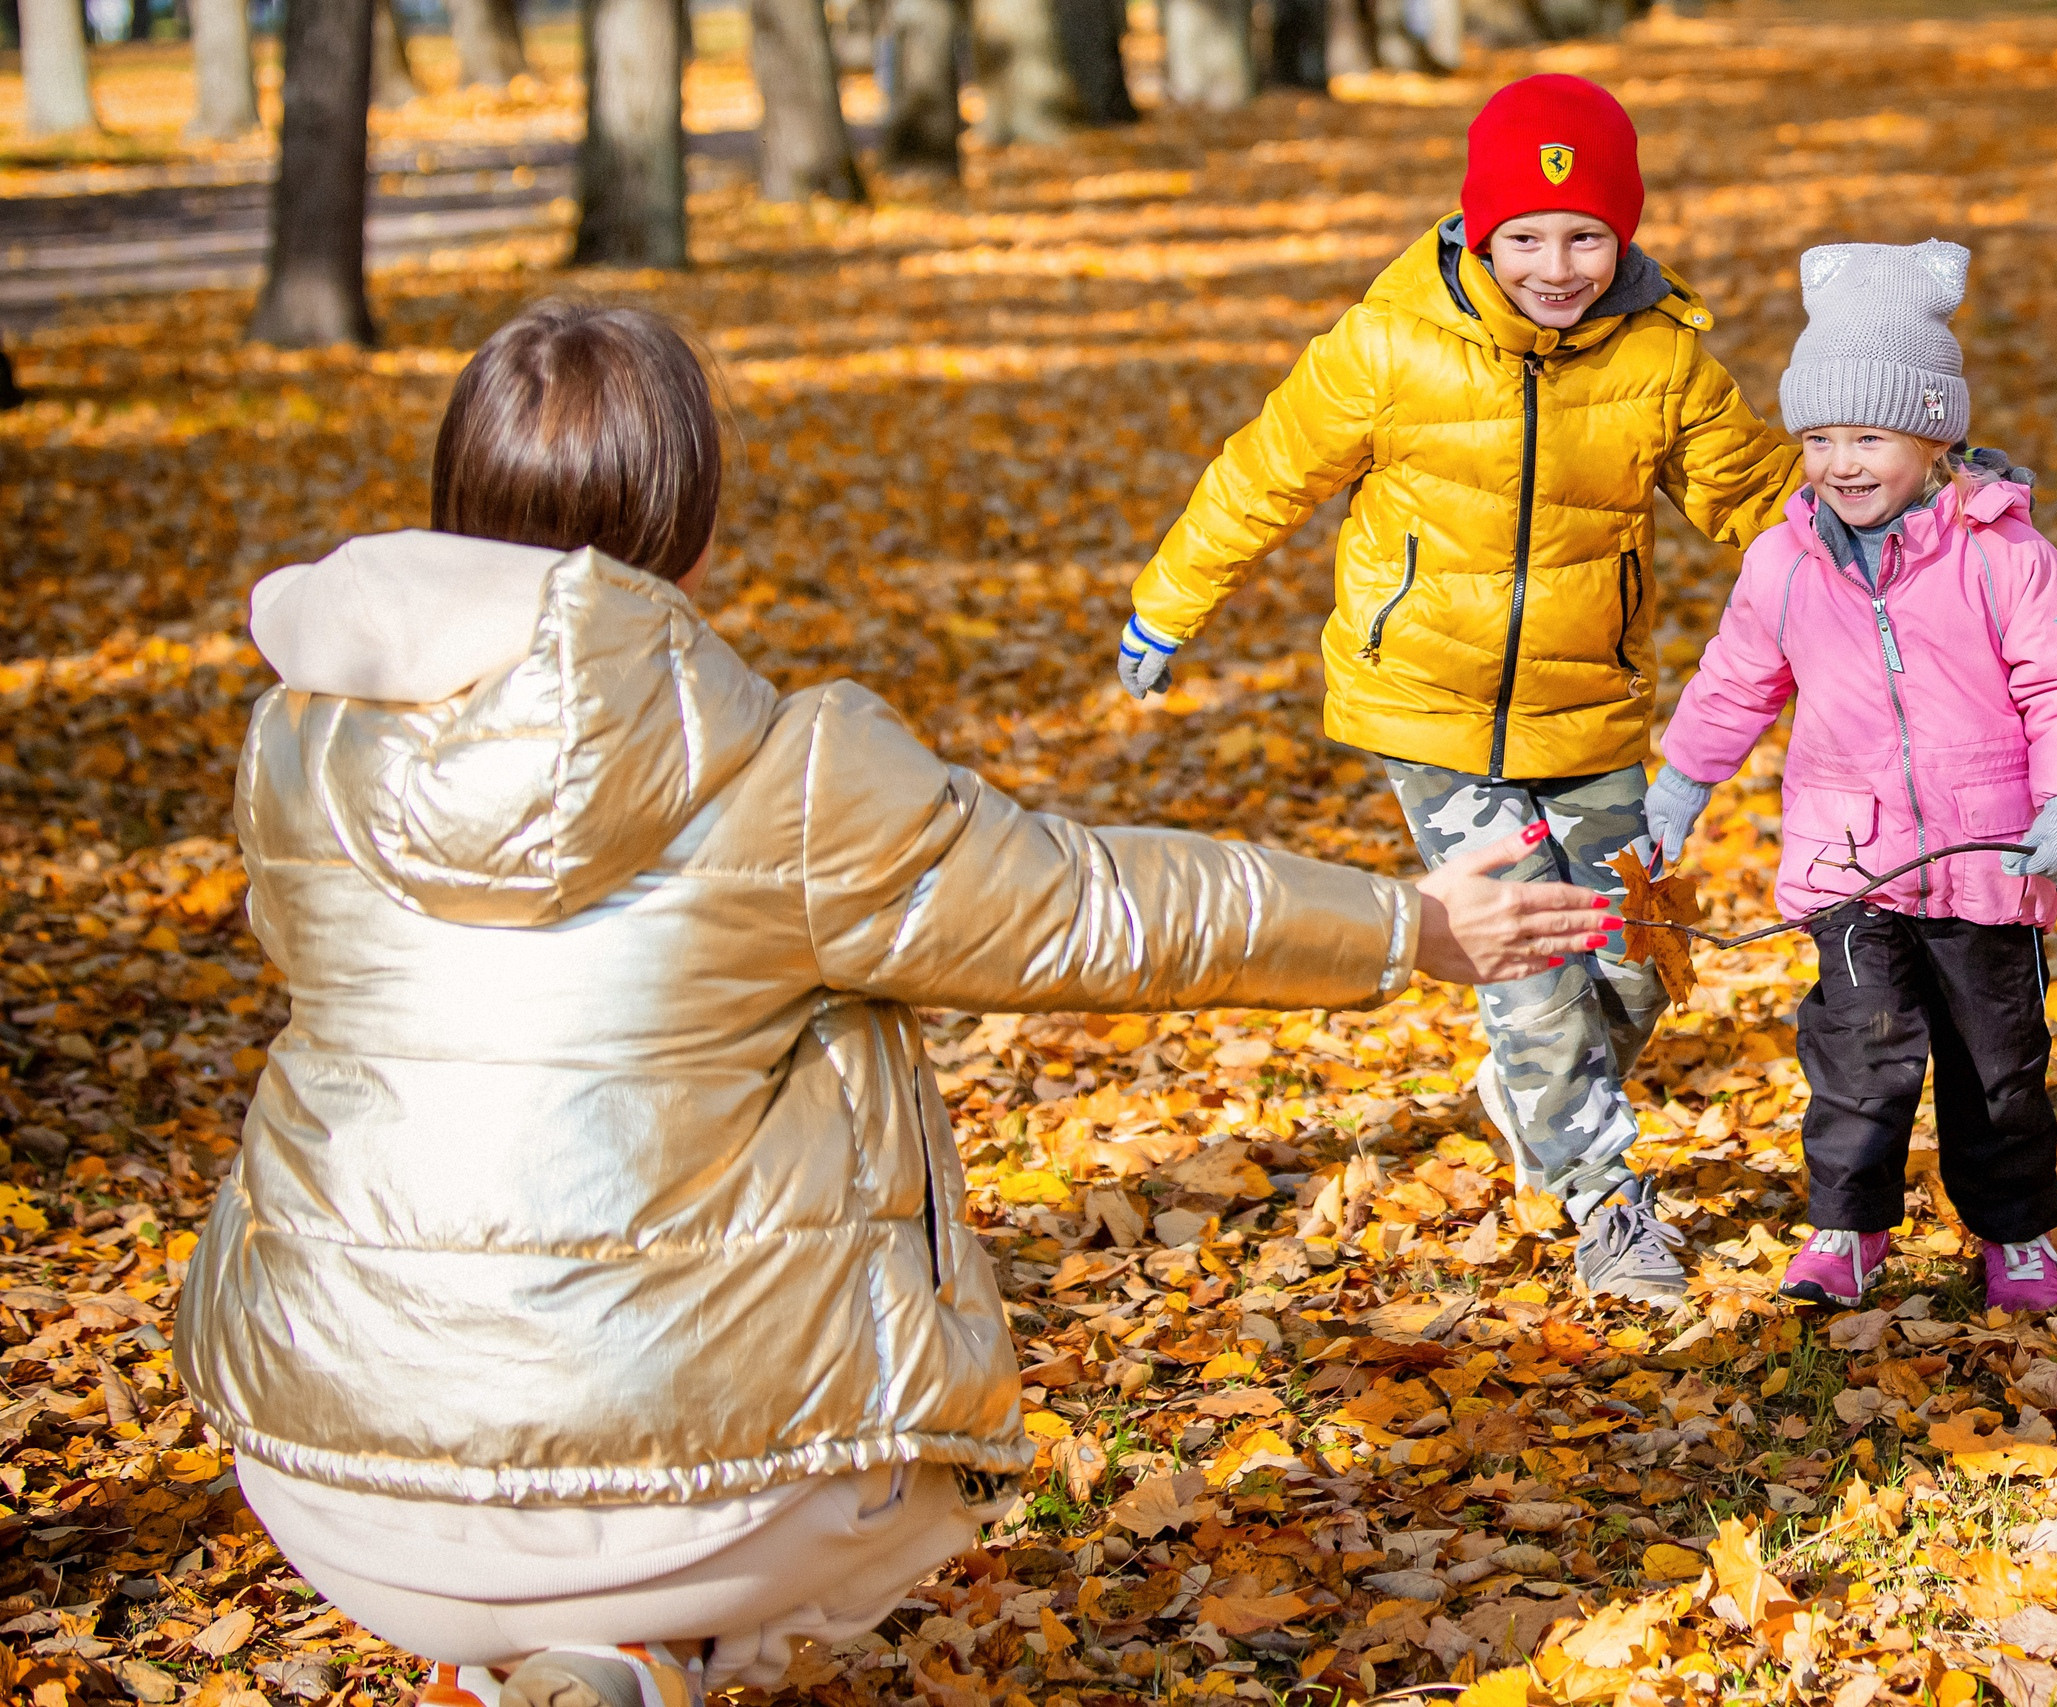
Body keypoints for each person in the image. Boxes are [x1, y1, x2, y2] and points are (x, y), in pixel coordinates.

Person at [173, 300, 1611, 1707]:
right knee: (896, 1443)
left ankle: (546, 1657)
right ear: (689, 515)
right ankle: (631, 1640)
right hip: (692, 1498)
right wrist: (1406, 921)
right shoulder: (779, 775)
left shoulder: (300, 751)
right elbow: (1088, 907)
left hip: (323, 1464)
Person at [1111, 73, 1806, 1304]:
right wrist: (1167, 605)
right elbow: (1260, 474)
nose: (1556, 265)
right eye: (1525, 237)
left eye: (1585, 235)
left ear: (1625, 233)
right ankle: (1606, 1206)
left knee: (1638, 958)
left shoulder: (1664, 363)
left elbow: (1757, 503)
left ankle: (1526, 1099)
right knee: (1534, 969)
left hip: (1588, 707)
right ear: (1479, 231)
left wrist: (1888, 546)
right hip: (1427, 710)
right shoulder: (1387, 344)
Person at [1646, 240, 2057, 1313]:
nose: (1841, 461)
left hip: (1987, 859)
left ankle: (2015, 1236)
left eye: (1869, 435)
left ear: (1933, 436)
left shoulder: (2005, 556)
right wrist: (1679, 784)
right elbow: (1734, 684)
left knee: (1996, 1069)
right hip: (1846, 862)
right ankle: (1847, 1229)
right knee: (1855, 1059)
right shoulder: (1783, 560)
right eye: (1818, 437)